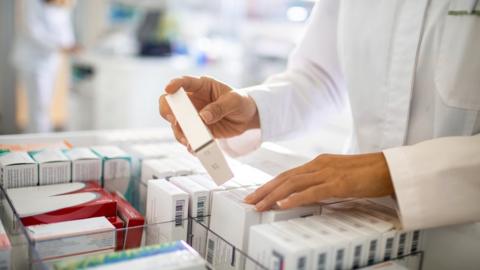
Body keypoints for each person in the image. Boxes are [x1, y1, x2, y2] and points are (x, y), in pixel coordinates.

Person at [159, 0, 480, 232]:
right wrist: (252, 108)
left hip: (463, 235)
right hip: (355, 217)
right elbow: (320, 76)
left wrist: (392, 171)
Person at [13, 0, 79, 133]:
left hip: (51, 60)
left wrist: (71, 45)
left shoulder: (63, 5)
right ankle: (37, 140)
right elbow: (33, 31)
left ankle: (42, 138)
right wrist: (60, 46)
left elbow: (65, 28)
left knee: (45, 105)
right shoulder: (32, 3)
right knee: (38, 105)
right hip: (33, 61)